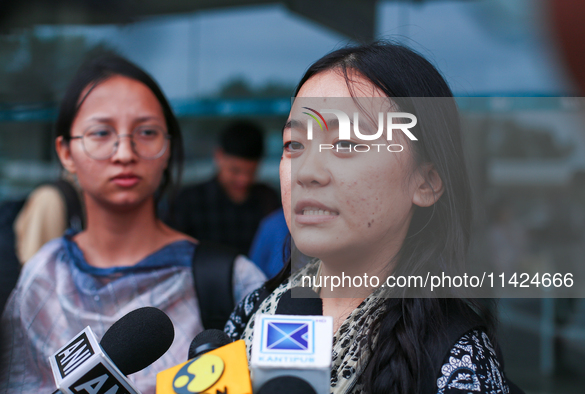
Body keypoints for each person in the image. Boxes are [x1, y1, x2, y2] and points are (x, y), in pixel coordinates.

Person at [225, 42, 516, 393]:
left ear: (425, 181)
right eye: (294, 145)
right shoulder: (257, 311)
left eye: (346, 143)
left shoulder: (457, 360)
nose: (306, 172)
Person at [0, 55, 265, 394]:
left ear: (168, 147)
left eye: (147, 132)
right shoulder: (42, 277)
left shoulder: (231, 279)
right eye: (100, 132)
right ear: (65, 152)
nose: (125, 152)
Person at [171, 120, 281, 254]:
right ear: (218, 156)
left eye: (251, 172)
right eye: (235, 171)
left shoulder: (267, 198)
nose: (243, 180)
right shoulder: (190, 201)